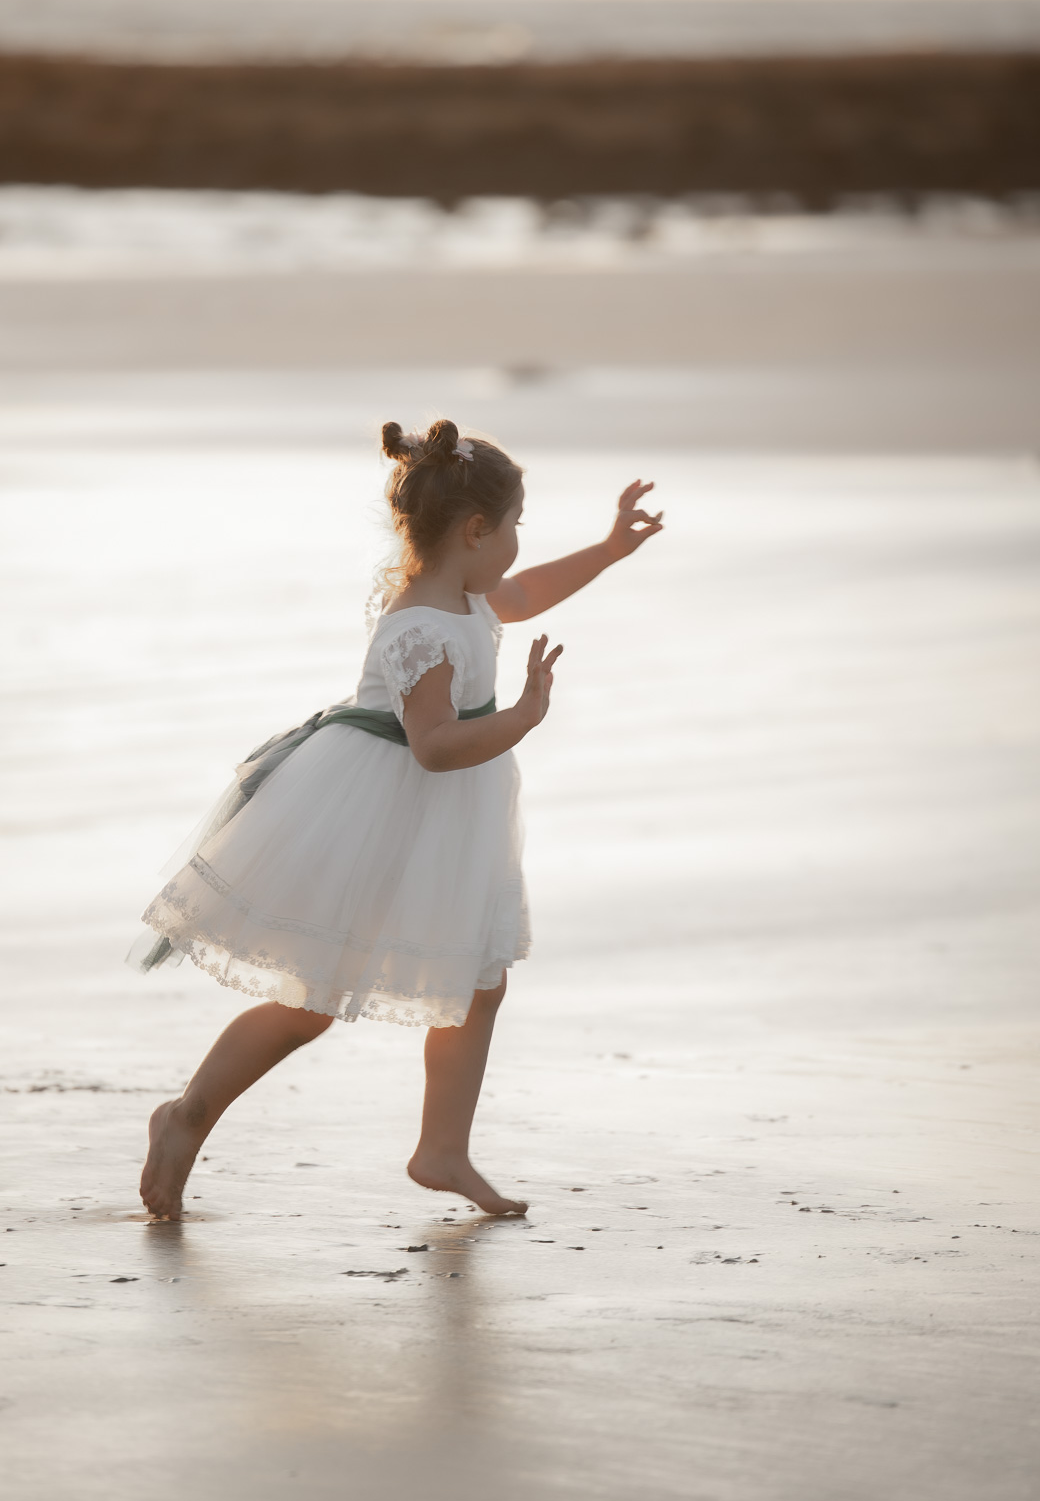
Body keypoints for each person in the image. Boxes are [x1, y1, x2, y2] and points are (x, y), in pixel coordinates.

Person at [135, 418, 662, 1219]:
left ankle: (441, 1148)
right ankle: (187, 1113)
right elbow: (435, 747)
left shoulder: (466, 590)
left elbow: (521, 595)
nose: (520, 540)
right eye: (517, 525)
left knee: (481, 980)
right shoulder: (419, 625)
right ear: (475, 530)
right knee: (313, 998)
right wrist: (522, 716)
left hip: (443, 822)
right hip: (385, 809)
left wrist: (609, 548)